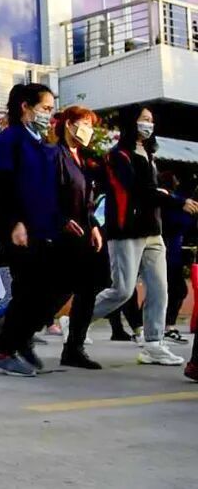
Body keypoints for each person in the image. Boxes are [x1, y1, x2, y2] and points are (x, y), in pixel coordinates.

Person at [89, 107, 198, 366]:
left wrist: (166, 197)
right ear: (132, 122)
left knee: (160, 288)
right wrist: (176, 200)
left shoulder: (148, 153)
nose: (149, 124)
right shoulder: (118, 155)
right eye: (144, 120)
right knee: (122, 290)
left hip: (153, 231)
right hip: (127, 231)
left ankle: (153, 344)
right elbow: (139, 190)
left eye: (151, 120)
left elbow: (151, 190)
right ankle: (77, 319)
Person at [0, 83, 67, 377]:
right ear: (25, 107)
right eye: (45, 108)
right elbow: (2, 185)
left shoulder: (41, 143)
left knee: (49, 289)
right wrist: (16, 222)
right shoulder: (9, 140)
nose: (49, 114)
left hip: (44, 229)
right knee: (28, 290)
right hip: (19, 229)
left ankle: (20, 337)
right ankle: (6, 352)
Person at [46, 106, 107, 370]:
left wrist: (93, 225)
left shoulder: (82, 159)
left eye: (91, 125)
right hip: (61, 234)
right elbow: (46, 194)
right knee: (58, 289)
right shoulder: (54, 155)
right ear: (69, 124)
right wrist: (61, 220)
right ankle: (17, 328)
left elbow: (87, 201)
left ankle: (74, 347)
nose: (88, 130)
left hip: (83, 233)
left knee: (88, 289)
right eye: (84, 123)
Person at [159, 171, 195, 345]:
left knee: (166, 290)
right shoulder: (172, 202)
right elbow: (177, 224)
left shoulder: (176, 201)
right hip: (167, 252)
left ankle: (159, 326)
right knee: (176, 290)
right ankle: (166, 326)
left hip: (173, 252)